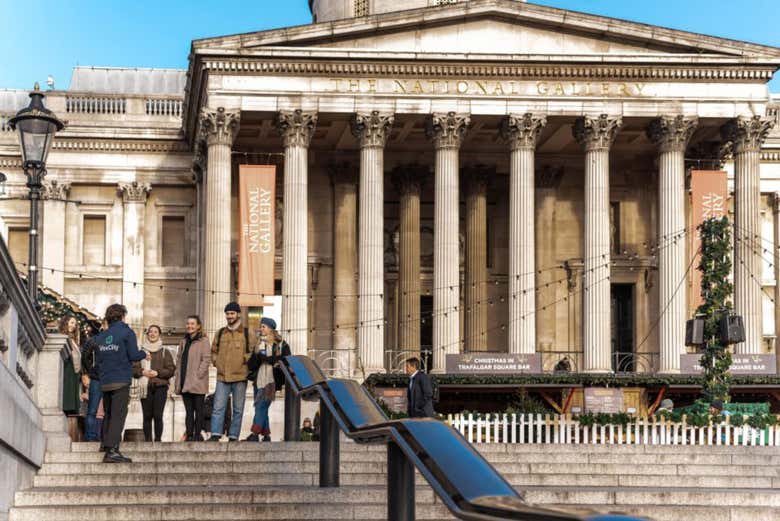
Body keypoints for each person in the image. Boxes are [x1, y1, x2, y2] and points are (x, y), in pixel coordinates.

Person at [93, 304, 148, 463]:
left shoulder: (102, 336)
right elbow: (133, 355)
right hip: (120, 379)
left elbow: (96, 357)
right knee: (118, 415)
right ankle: (112, 451)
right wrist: (144, 353)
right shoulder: (127, 332)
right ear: (123, 316)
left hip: (105, 380)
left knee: (108, 414)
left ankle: (105, 443)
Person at [208, 302, 251, 442]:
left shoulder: (246, 332)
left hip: (240, 377)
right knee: (218, 407)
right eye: (227, 314)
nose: (229, 316)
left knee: (238, 409)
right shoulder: (220, 333)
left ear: (238, 314)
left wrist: (244, 362)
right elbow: (213, 351)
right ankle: (215, 433)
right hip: (222, 376)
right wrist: (216, 362)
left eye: (232, 313)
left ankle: (233, 435)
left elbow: (252, 352)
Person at [246, 317, 290, 442]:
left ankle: (254, 434)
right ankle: (266, 435)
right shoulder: (259, 344)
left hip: (271, 380)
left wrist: (265, 357)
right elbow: (252, 364)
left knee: (261, 406)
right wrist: (256, 352)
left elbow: (285, 360)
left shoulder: (280, 344)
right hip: (258, 380)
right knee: (260, 406)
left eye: (263, 326)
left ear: (270, 329)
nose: (261, 329)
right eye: (261, 326)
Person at [132, 325, 176, 442]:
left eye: (155, 332)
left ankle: (157, 440)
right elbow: (133, 369)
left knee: (158, 416)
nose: (152, 334)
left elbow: (171, 369)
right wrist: (143, 371)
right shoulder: (140, 351)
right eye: (150, 332)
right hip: (145, 387)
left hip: (160, 387)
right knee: (147, 416)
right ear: (147, 334)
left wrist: (158, 373)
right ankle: (147, 441)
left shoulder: (165, 352)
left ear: (159, 334)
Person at [174, 315, 211, 441]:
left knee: (199, 410)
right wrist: (178, 377)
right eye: (188, 323)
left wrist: (198, 375)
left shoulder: (204, 340)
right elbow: (179, 360)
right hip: (185, 381)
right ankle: (189, 434)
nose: (189, 326)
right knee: (189, 411)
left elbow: (206, 359)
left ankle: (197, 435)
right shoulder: (183, 341)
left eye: (192, 324)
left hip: (198, 382)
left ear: (198, 326)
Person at [80, 320, 107, 442]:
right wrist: (91, 371)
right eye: (107, 324)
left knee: (109, 411)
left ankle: (105, 437)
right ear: (103, 325)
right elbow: (85, 355)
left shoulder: (117, 339)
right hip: (97, 379)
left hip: (112, 379)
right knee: (92, 410)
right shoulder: (95, 339)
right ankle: (90, 437)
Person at [58, 315, 82, 417]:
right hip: (67, 368)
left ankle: (71, 410)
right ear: (66, 322)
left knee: (73, 394)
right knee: (67, 393)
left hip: (74, 370)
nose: (73, 326)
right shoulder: (63, 337)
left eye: (75, 324)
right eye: (72, 322)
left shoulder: (73, 339)